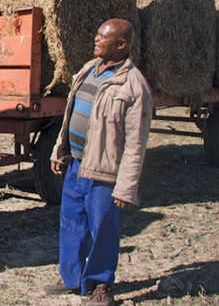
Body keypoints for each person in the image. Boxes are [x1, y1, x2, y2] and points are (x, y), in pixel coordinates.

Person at [45, 18, 152, 306]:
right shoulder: (87, 71)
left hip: (105, 172)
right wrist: (60, 150)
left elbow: (136, 143)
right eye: (96, 33)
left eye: (102, 37)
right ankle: (72, 278)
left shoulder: (134, 85)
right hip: (76, 165)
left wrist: (126, 187)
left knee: (103, 229)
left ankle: (101, 284)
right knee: (71, 223)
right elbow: (70, 116)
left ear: (122, 45)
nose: (96, 39)